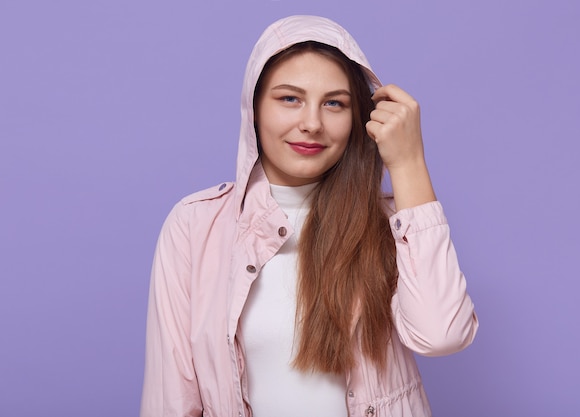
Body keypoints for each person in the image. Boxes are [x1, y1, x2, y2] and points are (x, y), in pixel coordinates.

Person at [140, 15, 478, 417]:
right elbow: (171, 400)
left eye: (334, 103)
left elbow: (442, 336)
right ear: (253, 109)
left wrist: (408, 164)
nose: (312, 124)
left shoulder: (391, 224)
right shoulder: (195, 226)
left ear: (358, 119)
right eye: (289, 99)